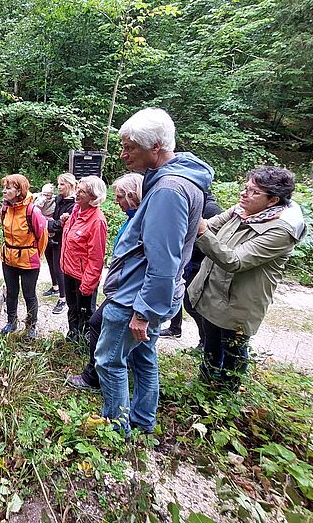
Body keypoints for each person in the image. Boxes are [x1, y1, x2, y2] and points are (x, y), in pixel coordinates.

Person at [95, 108, 213, 435]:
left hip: (136, 297)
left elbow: (163, 260)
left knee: (109, 361)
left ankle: (116, 429)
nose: (123, 154)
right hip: (151, 295)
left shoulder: (168, 190)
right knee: (143, 358)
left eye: (130, 147)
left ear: (157, 147)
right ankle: (143, 421)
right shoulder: (177, 180)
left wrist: (144, 312)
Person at [188, 166, 306, 391]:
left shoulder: (281, 231)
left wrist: (202, 232)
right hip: (213, 292)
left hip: (239, 303)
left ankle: (226, 396)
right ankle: (204, 387)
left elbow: (235, 261)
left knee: (233, 352)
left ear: (272, 200)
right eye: (245, 188)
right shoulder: (240, 210)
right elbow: (211, 225)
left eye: (253, 192)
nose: (244, 194)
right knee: (211, 344)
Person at [66, 173, 143, 391]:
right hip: (118, 286)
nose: (116, 201)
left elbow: (96, 257)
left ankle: (97, 377)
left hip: (127, 290)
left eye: (119, 197)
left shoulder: (102, 220)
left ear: (132, 196)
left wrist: (89, 283)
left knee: (97, 322)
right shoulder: (133, 218)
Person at [160, 190, 223, 342]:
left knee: (191, 304)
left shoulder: (211, 209)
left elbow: (216, 240)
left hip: (198, 263)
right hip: (185, 259)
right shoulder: (191, 204)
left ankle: (205, 340)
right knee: (177, 294)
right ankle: (175, 328)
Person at [0, 174, 49, 339]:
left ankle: (31, 325)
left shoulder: (32, 211)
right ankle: (11, 322)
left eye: (8, 188)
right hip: (8, 258)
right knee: (12, 292)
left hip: (28, 259)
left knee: (29, 294)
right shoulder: (5, 208)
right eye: (4, 187)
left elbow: (43, 236)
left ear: (19, 190)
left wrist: (35, 255)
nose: (4, 191)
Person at [60, 176, 108, 343]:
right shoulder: (76, 210)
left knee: (85, 312)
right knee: (72, 308)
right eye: (78, 189)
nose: (77, 193)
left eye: (82, 191)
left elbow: (96, 258)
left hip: (83, 277)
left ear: (93, 197)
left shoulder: (97, 221)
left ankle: (86, 343)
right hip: (69, 270)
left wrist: (87, 285)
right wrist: (65, 221)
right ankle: (73, 336)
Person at [43, 173, 77, 315]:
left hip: (62, 238)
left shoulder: (74, 204)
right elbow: (51, 214)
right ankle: (55, 287)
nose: (59, 187)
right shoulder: (58, 199)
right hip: (51, 236)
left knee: (59, 267)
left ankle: (63, 298)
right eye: (58, 184)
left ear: (69, 185)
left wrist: (46, 224)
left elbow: (64, 224)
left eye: (62, 184)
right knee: (50, 262)